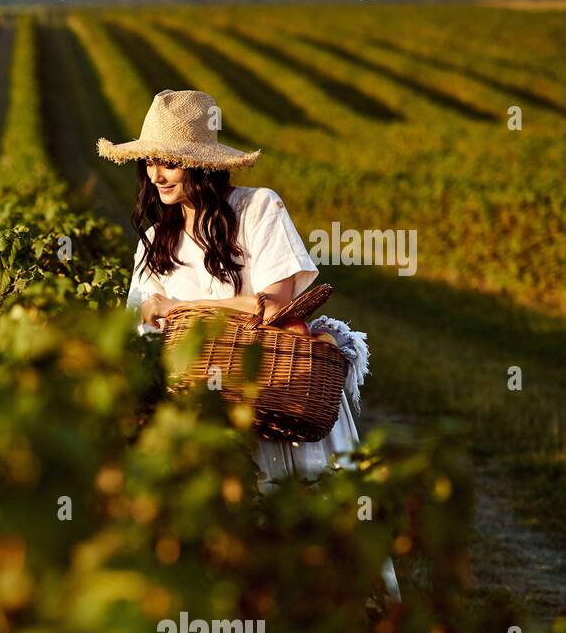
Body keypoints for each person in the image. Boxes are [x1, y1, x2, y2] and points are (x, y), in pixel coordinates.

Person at [97, 89, 400, 602]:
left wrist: (182, 310)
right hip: (203, 411)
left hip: (275, 389)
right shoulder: (155, 238)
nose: (157, 173)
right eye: (151, 160)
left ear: (203, 164)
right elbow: (142, 324)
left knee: (314, 529)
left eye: (172, 161)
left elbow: (276, 304)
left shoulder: (257, 208)